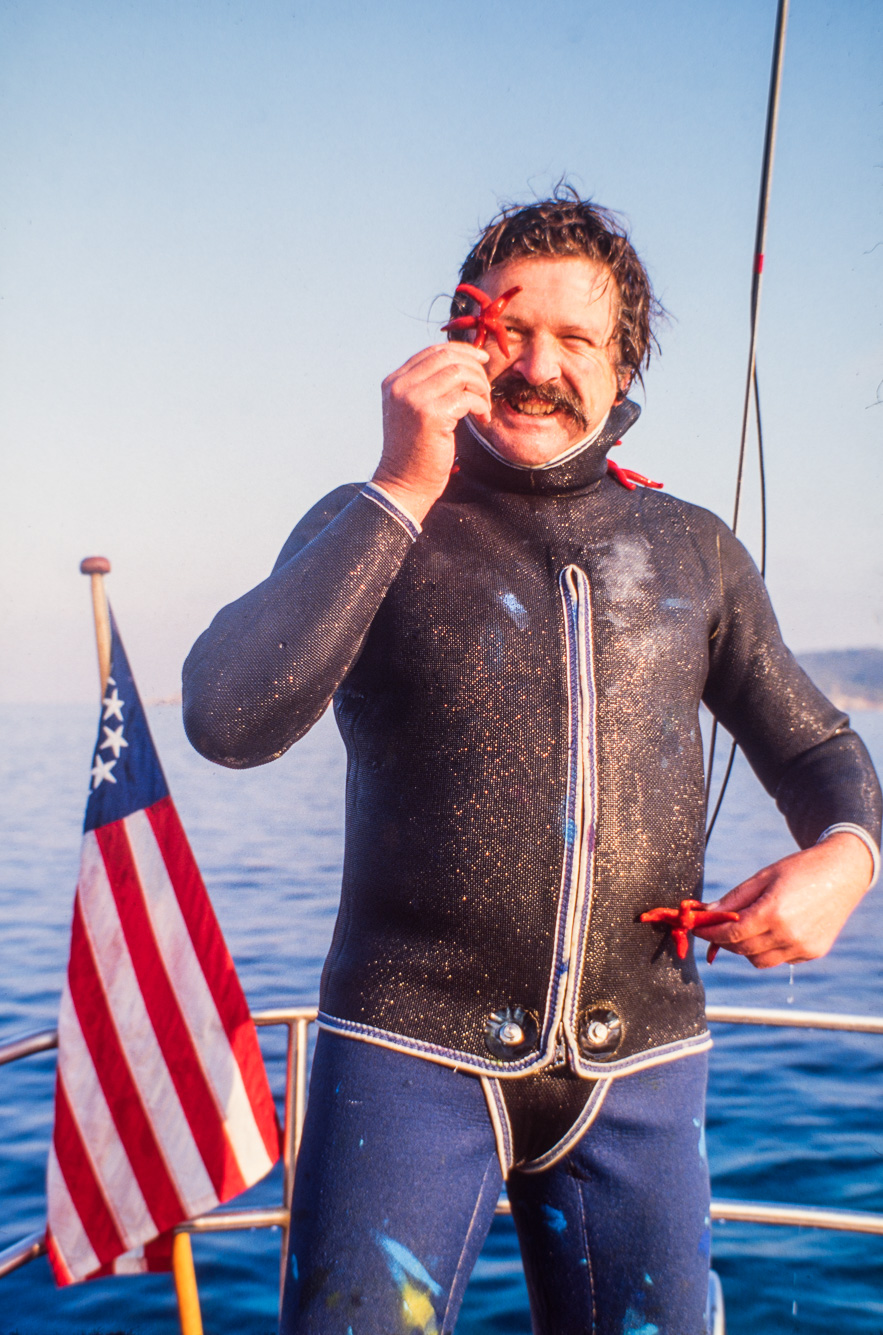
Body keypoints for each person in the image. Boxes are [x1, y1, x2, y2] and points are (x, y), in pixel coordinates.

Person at [183, 193, 881, 1334]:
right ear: (460, 339)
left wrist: (848, 856)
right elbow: (228, 717)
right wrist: (399, 487)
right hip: (406, 1058)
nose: (537, 366)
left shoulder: (692, 548)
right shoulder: (374, 519)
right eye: (509, 331)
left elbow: (813, 741)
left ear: (622, 370)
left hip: (644, 1072)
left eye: (578, 341)